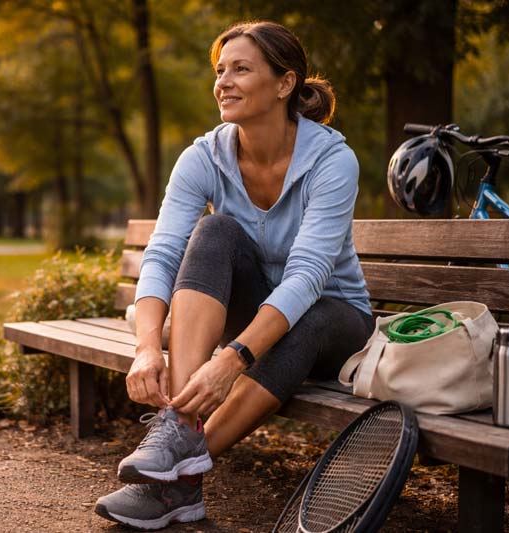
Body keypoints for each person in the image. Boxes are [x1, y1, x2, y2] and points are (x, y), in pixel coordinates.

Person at [94, 21, 374, 530]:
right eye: (220, 70)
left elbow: (309, 275)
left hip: (335, 323)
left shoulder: (332, 160)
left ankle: (175, 485)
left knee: (305, 317)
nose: (223, 81)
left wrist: (232, 358)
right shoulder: (204, 156)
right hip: (251, 321)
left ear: (285, 83)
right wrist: (145, 346)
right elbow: (162, 254)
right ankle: (177, 432)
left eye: (241, 69)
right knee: (214, 230)